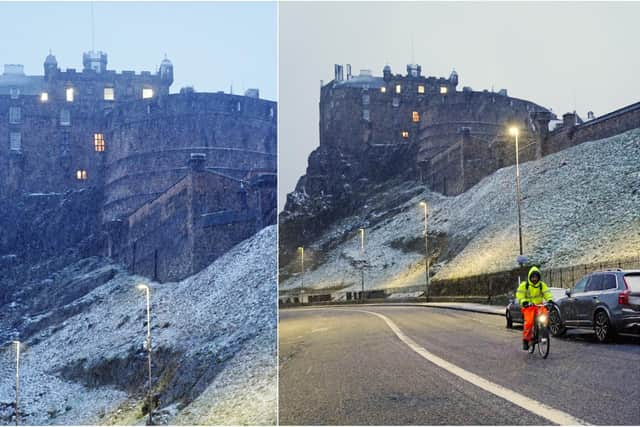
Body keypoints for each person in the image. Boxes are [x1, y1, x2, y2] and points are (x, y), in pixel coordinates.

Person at [516, 266, 553, 350]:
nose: (534, 279)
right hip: (528, 307)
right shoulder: (524, 285)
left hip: (539, 306)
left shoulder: (542, 285)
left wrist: (550, 300)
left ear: (539, 277)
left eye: (536, 277)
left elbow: (547, 293)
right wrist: (524, 301)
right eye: (533, 277)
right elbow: (519, 295)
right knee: (529, 323)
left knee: (545, 317)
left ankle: (543, 332)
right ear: (530, 277)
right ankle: (526, 340)